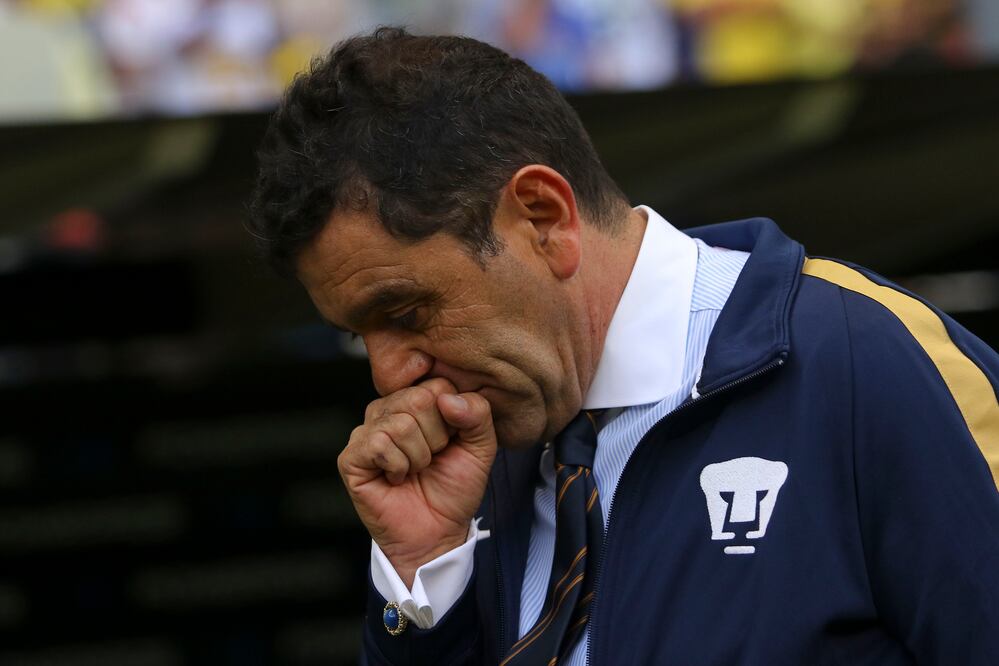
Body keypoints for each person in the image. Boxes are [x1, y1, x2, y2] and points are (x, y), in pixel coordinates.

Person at [247, 27, 999, 666]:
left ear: (543, 217)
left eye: (407, 312)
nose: (390, 375)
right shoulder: (474, 452)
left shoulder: (864, 361)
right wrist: (425, 575)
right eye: (361, 337)